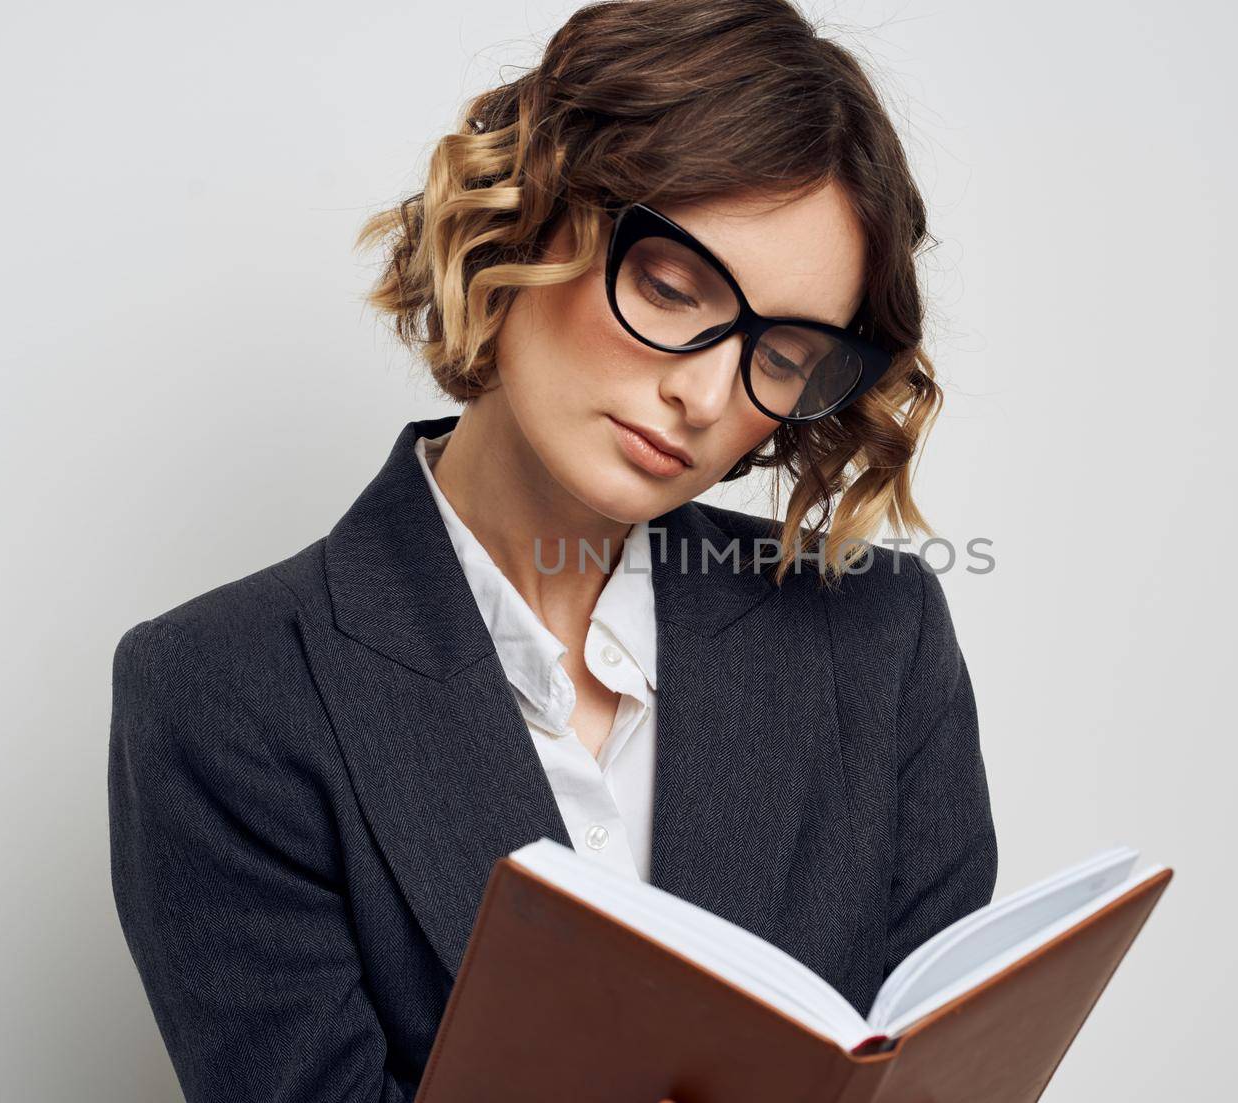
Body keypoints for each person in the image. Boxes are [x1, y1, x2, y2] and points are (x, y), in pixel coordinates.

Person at [106, 1, 997, 1099]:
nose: (707, 395)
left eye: (787, 351)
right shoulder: (225, 690)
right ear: (530, 216)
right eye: (674, 288)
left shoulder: (878, 634)